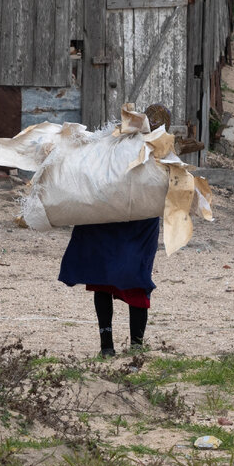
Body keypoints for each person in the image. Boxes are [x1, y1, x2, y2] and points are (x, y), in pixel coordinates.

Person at [56, 104, 171, 357]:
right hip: (124, 222)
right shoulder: (139, 147)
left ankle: (120, 346)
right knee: (122, 279)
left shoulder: (118, 144)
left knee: (111, 280)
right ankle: (122, 347)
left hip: (116, 221)